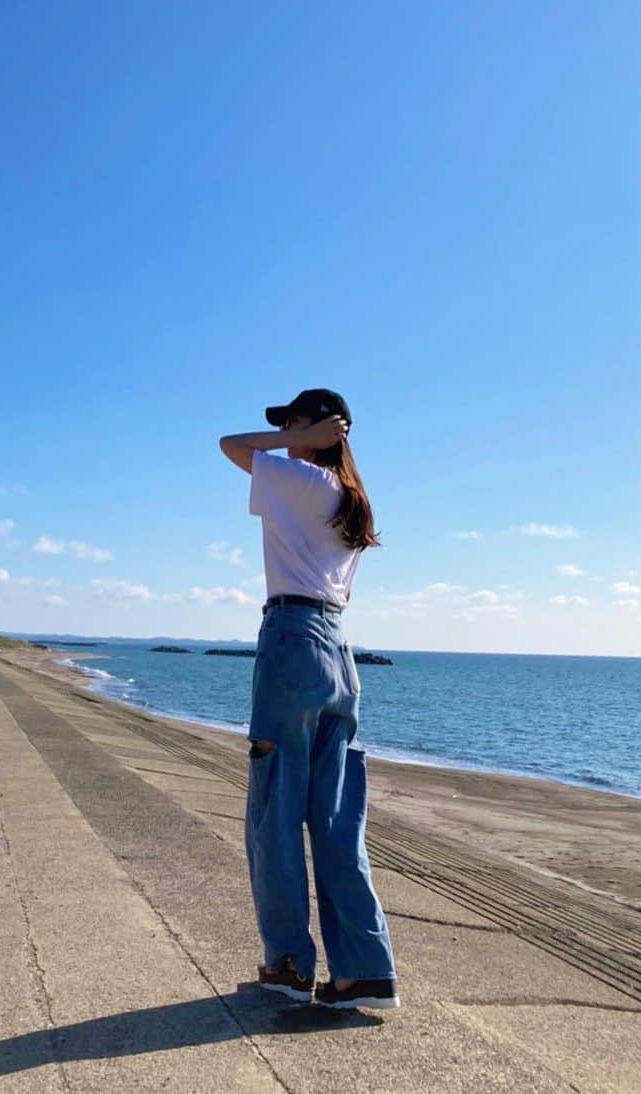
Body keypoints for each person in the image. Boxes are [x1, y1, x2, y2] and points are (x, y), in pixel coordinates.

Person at [219, 389, 398, 1011]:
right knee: (334, 820)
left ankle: (290, 964)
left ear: (319, 425)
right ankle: (363, 971)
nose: (283, 431)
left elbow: (229, 446)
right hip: (338, 653)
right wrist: (318, 438)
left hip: (293, 640)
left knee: (274, 811)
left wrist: (310, 440)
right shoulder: (352, 499)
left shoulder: (302, 478)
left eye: (290, 421)